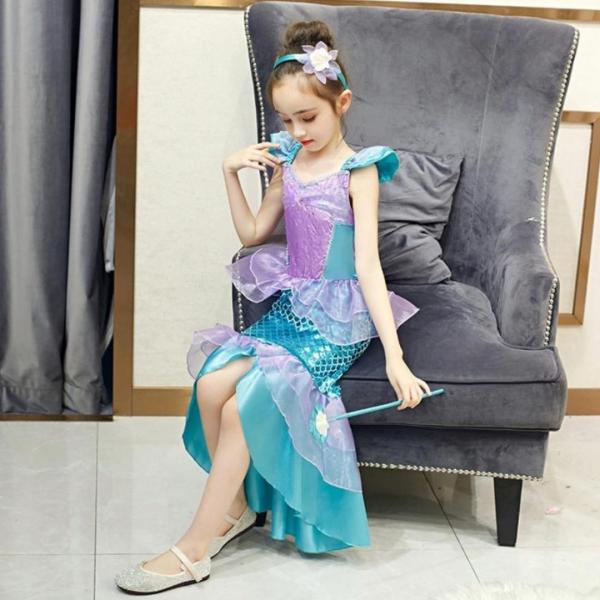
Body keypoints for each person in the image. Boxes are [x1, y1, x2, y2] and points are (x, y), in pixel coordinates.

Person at [115, 19, 430, 595]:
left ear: (341, 104)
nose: (297, 131)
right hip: (294, 304)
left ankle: (194, 547)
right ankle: (235, 506)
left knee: (243, 407)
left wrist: (395, 357)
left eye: (307, 117)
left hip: (338, 318)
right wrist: (229, 173)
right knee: (212, 382)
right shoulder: (288, 161)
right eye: (286, 121)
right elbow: (254, 233)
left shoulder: (359, 169)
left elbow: (367, 265)